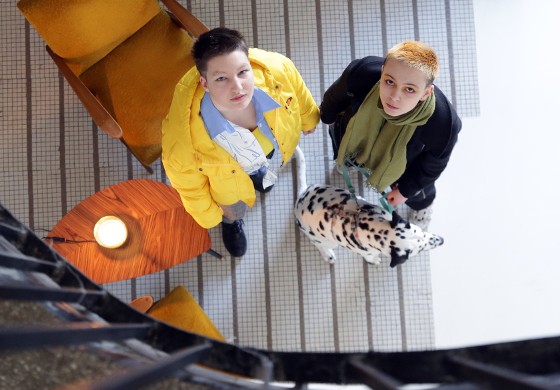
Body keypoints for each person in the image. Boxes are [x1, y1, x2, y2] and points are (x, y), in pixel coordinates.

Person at [162, 28, 320, 257]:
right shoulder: (183, 143)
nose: (237, 87)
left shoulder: (277, 69)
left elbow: (298, 91)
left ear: (250, 65)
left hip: (263, 154)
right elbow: (189, 186)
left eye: (242, 72)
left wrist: (308, 119)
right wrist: (210, 215)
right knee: (234, 208)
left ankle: (259, 176)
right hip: (226, 185)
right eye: (221, 78)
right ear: (205, 83)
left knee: (263, 167)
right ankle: (232, 222)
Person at [320, 40, 461, 229]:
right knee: (342, 148)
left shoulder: (443, 123)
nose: (394, 96)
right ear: (382, 71)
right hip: (351, 137)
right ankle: (352, 160)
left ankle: (421, 206)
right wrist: (327, 116)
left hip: (404, 163)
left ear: (426, 93)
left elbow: (434, 164)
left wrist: (405, 191)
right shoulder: (362, 72)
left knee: (419, 193)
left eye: (409, 89)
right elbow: (334, 96)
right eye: (389, 82)